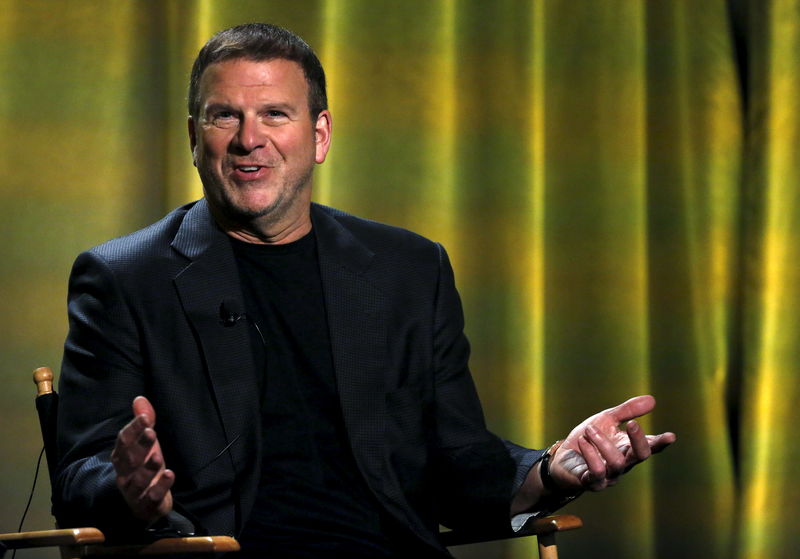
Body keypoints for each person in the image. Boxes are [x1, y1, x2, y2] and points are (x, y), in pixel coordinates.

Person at [54, 23, 675, 558]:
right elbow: (79, 475)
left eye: (275, 113)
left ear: (319, 135)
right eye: (225, 116)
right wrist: (128, 490)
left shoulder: (409, 270)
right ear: (195, 137)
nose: (250, 138)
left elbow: (460, 461)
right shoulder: (125, 279)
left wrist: (551, 469)